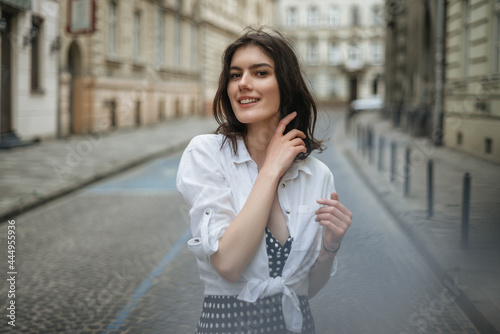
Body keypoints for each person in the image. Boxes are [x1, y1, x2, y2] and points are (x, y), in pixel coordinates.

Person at [176, 26, 352, 334]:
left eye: (259, 73)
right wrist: (270, 170)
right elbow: (229, 265)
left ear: (285, 85)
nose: (243, 83)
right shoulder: (206, 154)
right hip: (226, 325)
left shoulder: (316, 174)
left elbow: (306, 289)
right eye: (234, 75)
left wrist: (329, 247)